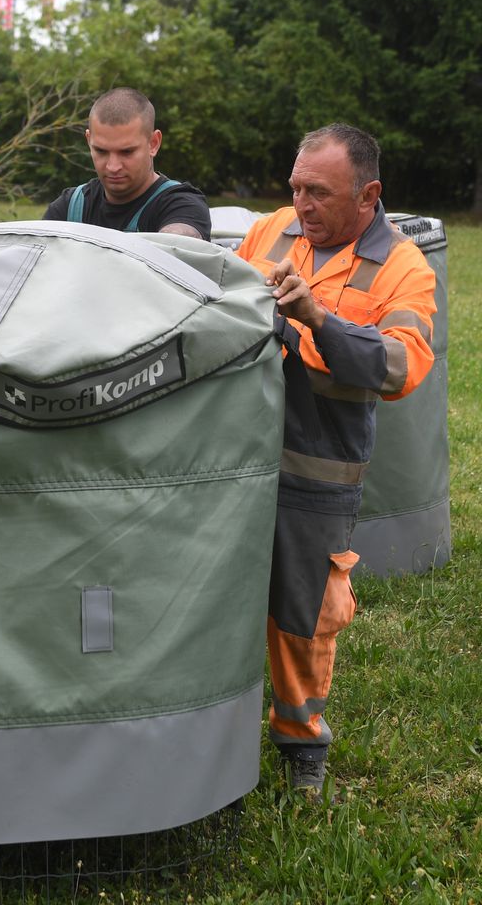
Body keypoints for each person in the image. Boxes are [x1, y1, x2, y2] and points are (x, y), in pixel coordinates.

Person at [238, 124, 436, 794]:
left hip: (315, 471)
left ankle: (301, 748)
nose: (302, 206)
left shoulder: (404, 268)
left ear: (368, 194)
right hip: (234, 455)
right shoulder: (271, 231)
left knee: (304, 616)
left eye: (318, 192)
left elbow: (401, 364)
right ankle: (216, 724)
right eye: (295, 188)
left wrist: (318, 318)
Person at [43, 87, 211, 240]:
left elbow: (179, 245)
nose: (113, 166)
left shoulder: (182, 206)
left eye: (127, 152)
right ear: (89, 141)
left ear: (153, 143)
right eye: (101, 151)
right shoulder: (69, 208)